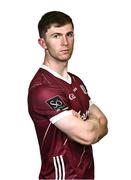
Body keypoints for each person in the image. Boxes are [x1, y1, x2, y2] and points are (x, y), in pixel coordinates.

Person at [28, 11, 108, 180]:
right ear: (43, 43)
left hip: (87, 174)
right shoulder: (43, 88)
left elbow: (104, 122)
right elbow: (88, 135)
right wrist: (91, 124)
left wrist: (88, 123)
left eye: (69, 34)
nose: (65, 42)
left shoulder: (76, 81)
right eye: (56, 36)